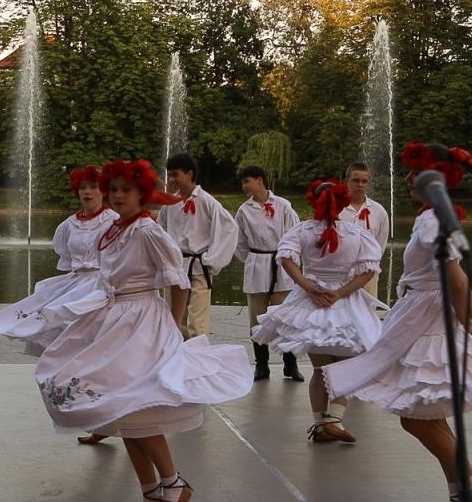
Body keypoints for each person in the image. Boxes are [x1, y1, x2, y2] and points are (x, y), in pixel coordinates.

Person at [324, 143, 472, 502]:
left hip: (429, 320)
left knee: (417, 415)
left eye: (417, 174)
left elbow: (455, 275)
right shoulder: (434, 216)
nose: (410, 180)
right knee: (425, 412)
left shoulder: (433, 221)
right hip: (422, 313)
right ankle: (463, 496)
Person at [34, 159, 253, 502]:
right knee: (119, 409)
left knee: (136, 406)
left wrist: (173, 325)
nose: (118, 195)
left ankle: (173, 482)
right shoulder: (116, 229)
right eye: (114, 189)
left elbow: (178, 280)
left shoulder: (148, 230)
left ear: (142, 193)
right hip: (116, 319)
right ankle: (152, 492)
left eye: (126, 190)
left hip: (143, 321)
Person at [252, 179, 382, 443]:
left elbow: (285, 258)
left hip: (310, 303)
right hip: (344, 302)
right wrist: (341, 292)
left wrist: (309, 287)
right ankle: (333, 419)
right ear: (342, 203)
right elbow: (369, 269)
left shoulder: (303, 230)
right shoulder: (355, 234)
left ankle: (322, 424)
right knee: (345, 368)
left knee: (321, 370)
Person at [0, 165, 114, 356]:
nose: (87, 192)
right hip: (76, 282)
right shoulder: (69, 225)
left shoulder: (114, 221)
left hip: (103, 285)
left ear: (103, 191)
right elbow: (66, 257)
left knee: (93, 337)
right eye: (83, 187)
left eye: (93, 186)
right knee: (54, 322)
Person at [234, 164, 304, 381]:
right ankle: (261, 365)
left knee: (285, 317)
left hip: (281, 264)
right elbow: (239, 243)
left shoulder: (283, 206)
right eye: (243, 182)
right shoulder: (244, 211)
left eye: (247, 181)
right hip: (257, 265)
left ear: (260, 180)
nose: (244, 186)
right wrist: (255, 259)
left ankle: (290, 364)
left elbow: (296, 234)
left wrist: (291, 262)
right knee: (257, 318)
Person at [157, 153, 238, 338]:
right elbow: (159, 229)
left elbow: (229, 228)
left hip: (199, 266)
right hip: (177, 266)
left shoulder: (206, 200)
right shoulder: (170, 203)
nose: (172, 180)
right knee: (175, 318)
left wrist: (212, 259)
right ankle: (178, 356)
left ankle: (198, 360)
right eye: (170, 175)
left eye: (176, 174)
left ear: (190, 174)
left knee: (197, 320)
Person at [341, 162, 391, 254]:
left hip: (369, 268)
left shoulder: (379, 211)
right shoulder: (335, 209)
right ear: (346, 181)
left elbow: (380, 247)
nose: (360, 184)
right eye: (355, 180)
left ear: (369, 183)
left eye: (364, 181)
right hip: (340, 267)